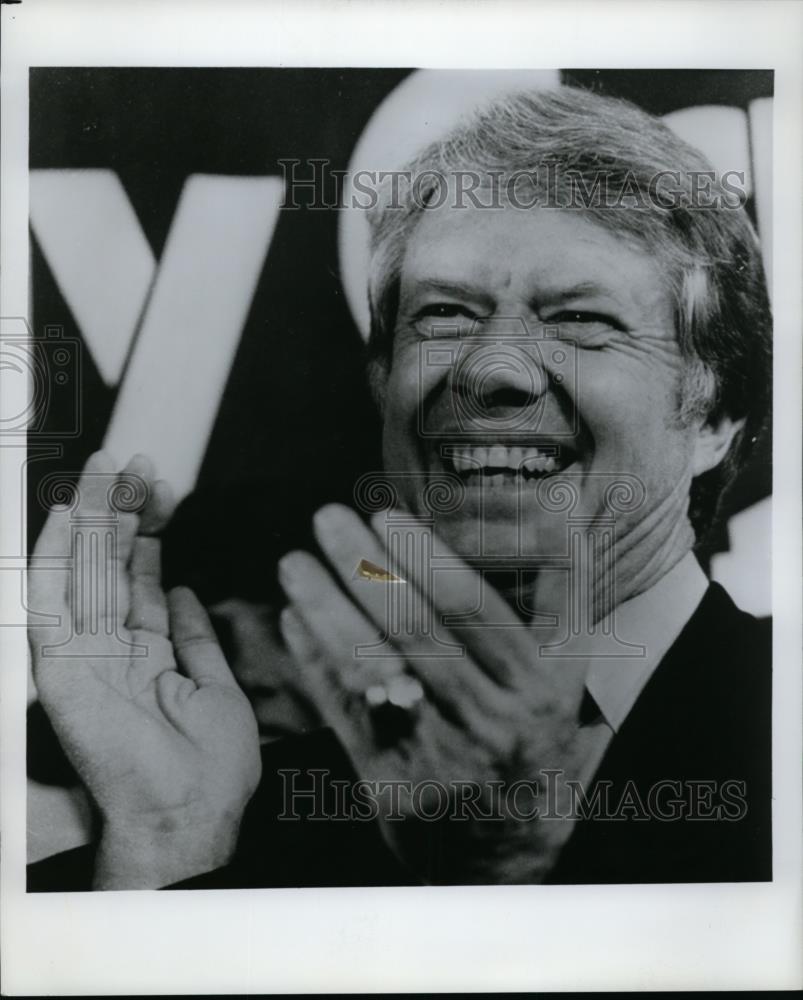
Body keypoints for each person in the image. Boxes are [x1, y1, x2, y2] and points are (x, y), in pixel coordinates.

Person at [27, 85, 772, 890]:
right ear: (381, 384)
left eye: (580, 319)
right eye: (445, 313)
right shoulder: (239, 804)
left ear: (713, 416)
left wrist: (505, 867)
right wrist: (167, 833)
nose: (492, 370)